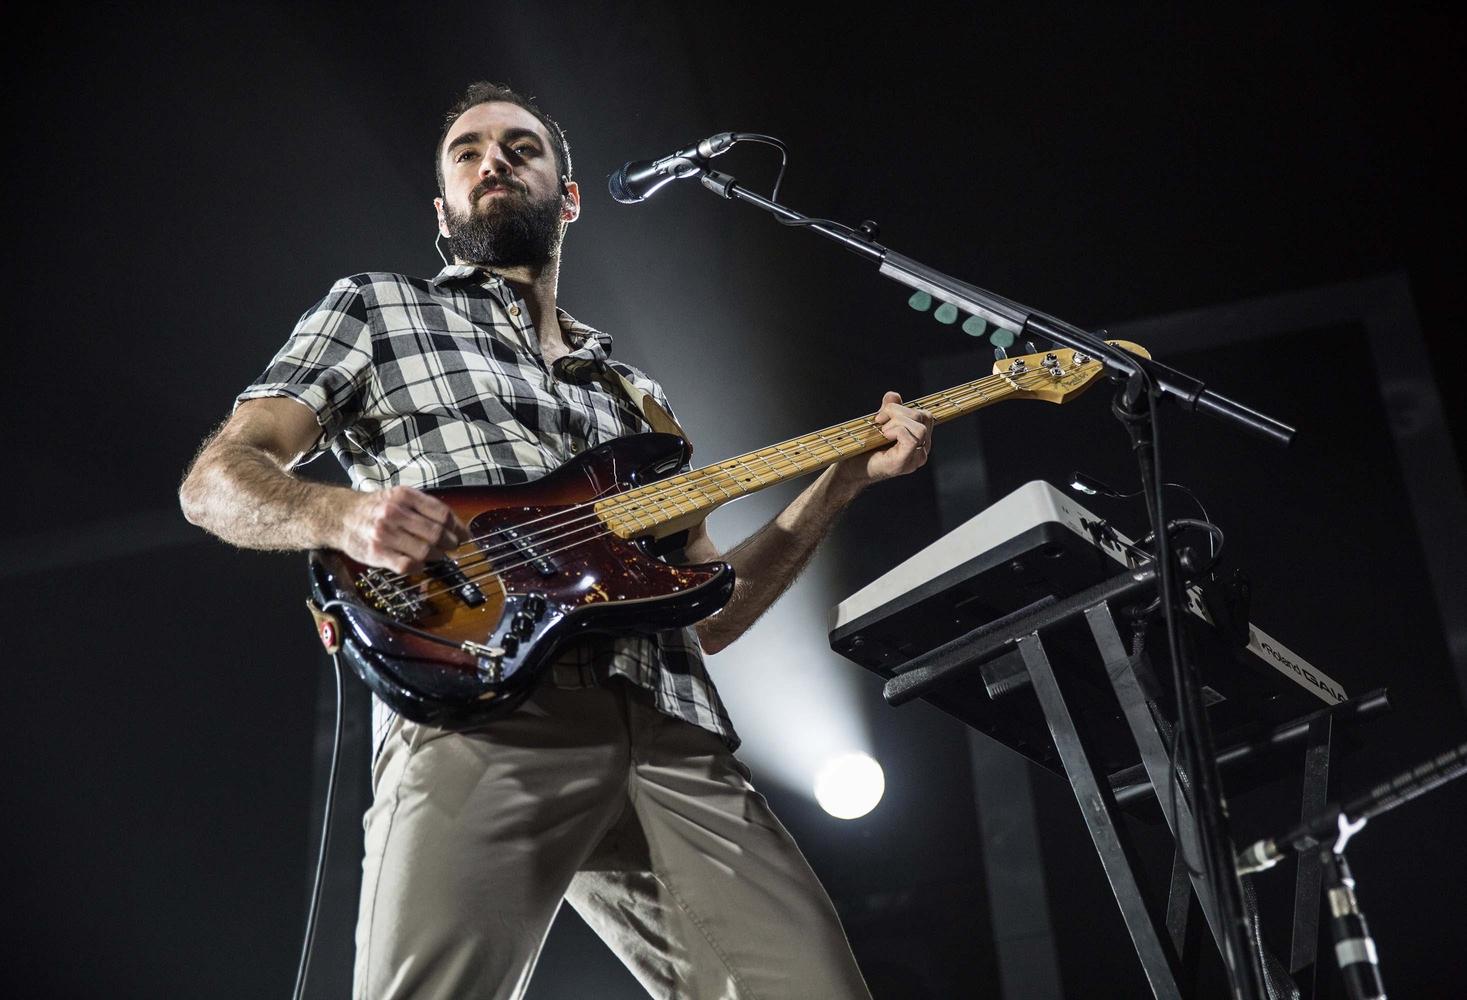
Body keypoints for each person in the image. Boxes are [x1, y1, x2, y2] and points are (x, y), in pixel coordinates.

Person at [179, 81, 934, 1000]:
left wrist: (843, 478)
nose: (493, 160)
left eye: (521, 147)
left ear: (566, 197)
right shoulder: (377, 309)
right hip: (481, 708)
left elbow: (712, 611)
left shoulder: (639, 398)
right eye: (468, 152)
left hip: (670, 730)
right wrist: (342, 515)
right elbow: (216, 480)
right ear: (443, 210)